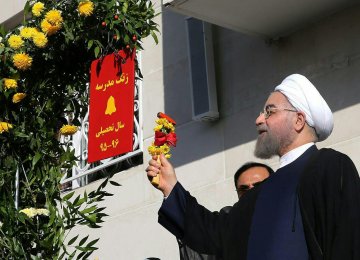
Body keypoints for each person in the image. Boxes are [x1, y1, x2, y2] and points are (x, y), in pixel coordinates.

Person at [146, 74, 360, 260]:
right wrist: (170, 188)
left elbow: (347, 244)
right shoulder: (261, 192)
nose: (259, 120)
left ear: (298, 120)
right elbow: (215, 234)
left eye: (269, 112)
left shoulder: (330, 166)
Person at [178, 162, 274, 260]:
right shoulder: (228, 226)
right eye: (244, 189)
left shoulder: (288, 215)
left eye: (258, 186)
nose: (251, 192)